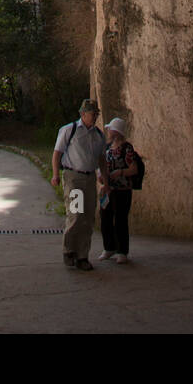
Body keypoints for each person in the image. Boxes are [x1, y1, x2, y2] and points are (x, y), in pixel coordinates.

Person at [52, 98, 109, 271]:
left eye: (96, 114)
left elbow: (101, 159)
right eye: (92, 114)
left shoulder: (99, 136)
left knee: (88, 218)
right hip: (74, 178)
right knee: (76, 214)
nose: (95, 117)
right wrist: (55, 174)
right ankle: (69, 250)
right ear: (83, 114)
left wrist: (103, 177)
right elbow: (57, 154)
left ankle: (83, 255)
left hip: (89, 179)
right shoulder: (70, 130)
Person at [98, 117, 138, 263]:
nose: (108, 131)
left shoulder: (127, 148)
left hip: (122, 190)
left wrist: (120, 172)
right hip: (108, 189)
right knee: (105, 218)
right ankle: (109, 247)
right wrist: (101, 176)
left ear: (116, 131)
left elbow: (134, 169)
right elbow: (102, 165)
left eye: (110, 129)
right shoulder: (107, 148)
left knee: (120, 219)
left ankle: (122, 250)